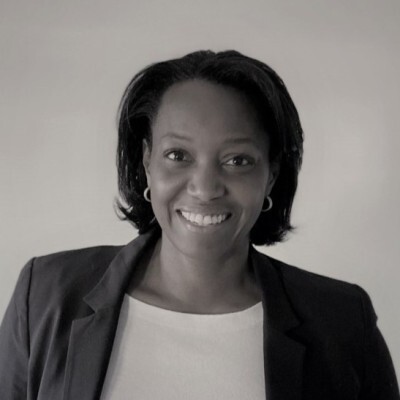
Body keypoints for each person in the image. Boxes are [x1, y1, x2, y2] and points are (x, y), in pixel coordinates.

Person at [0, 50, 398, 400]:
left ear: (271, 175)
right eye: (178, 155)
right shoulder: (46, 296)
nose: (205, 188)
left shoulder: (342, 323)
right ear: (146, 161)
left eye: (237, 160)